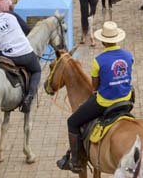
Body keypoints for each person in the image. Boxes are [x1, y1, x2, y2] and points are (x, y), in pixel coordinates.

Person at [58, 21, 133, 173]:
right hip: (126, 99)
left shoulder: (98, 61)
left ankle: (75, 160)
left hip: (105, 102)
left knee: (72, 122)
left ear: (103, 41)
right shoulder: (128, 56)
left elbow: (95, 87)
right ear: (117, 39)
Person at [0, 0, 40, 113]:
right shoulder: (11, 14)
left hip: (9, 56)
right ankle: (30, 96)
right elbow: (27, 30)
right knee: (37, 70)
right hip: (27, 54)